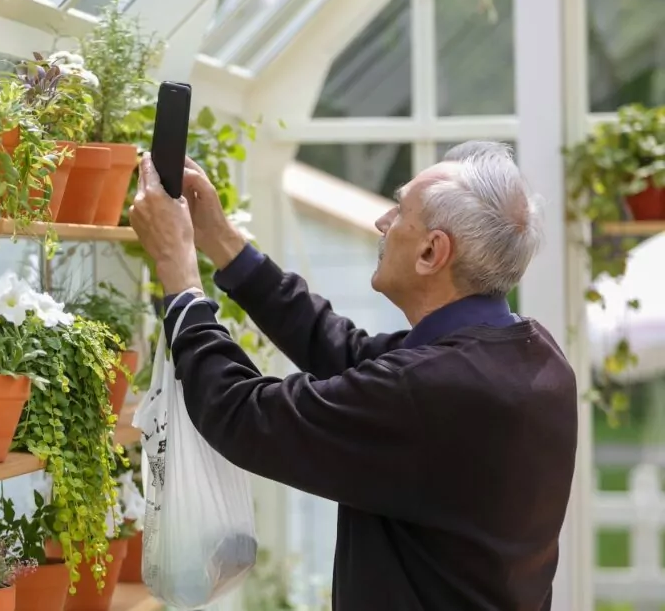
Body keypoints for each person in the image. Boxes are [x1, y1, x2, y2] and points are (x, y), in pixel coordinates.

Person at [128, 141, 577, 611]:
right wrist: (221, 241)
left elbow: (243, 415)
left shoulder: (434, 389)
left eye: (399, 209)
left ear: (431, 251)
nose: (382, 223)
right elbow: (346, 352)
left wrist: (179, 275)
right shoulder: (532, 357)